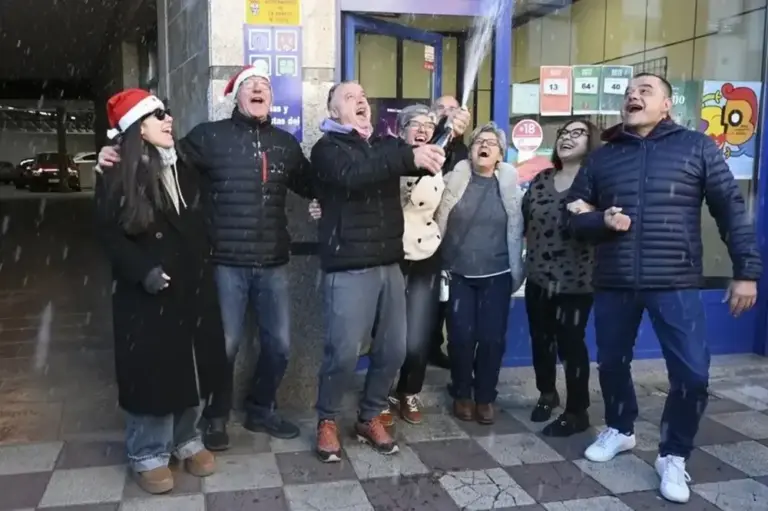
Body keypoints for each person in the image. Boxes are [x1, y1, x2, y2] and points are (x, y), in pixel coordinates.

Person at [567, 72, 761, 504]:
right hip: (614, 280)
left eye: (645, 91)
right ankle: (620, 428)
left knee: (692, 374)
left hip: (675, 280)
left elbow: (730, 208)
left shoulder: (696, 147)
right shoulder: (603, 157)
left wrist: (746, 271)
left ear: (667, 105)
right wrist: (601, 220)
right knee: (613, 363)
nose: (633, 96)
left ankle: (674, 453)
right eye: (629, 92)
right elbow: (574, 215)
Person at [97, 66, 314, 450]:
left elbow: (311, 183)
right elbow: (159, 162)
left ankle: (261, 408)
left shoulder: (286, 144)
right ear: (237, 97)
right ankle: (214, 418)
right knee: (221, 347)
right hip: (225, 262)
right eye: (251, 86)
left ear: (273, 100)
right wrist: (115, 153)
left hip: (274, 262)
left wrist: (325, 194)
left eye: (265, 86)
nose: (259, 90)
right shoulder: (209, 137)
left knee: (279, 345)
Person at [94, 89, 227, 494]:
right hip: (148, 295)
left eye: (167, 113)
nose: (169, 120)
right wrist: (143, 272)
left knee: (190, 366)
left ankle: (187, 440)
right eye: (157, 116)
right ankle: (147, 452)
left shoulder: (183, 164)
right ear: (138, 128)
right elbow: (109, 236)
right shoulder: (117, 172)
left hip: (191, 288)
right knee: (153, 373)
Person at [306, 103, 470, 426]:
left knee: (401, 345)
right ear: (334, 110)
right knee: (348, 349)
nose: (362, 100)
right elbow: (353, 175)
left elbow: (429, 162)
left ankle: (382, 406)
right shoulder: (336, 148)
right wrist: (321, 202)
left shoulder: (388, 148)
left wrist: (449, 131)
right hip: (359, 259)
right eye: (351, 96)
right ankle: (330, 418)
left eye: (363, 95)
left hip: (404, 257)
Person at [435, 122, 525, 425]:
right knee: (460, 338)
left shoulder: (511, 186)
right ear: (470, 151)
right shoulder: (453, 180)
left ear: (500, 154)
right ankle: (462, 392)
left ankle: (485, 396)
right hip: (458, 273)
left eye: (491, 143)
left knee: (491, 339)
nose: (483, 146)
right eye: (477, 142)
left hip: (497, 273)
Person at [522, 119, 601, 437]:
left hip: (576, 282)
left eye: (577, 133)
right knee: (541, 341)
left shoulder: (596, 183)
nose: (567, 138)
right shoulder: (541, 180)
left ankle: (577, 410)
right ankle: (547, 393)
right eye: (564, 134)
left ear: (590, 142)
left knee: (571, 345)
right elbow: (524, 221)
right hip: (539, 278)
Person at [429, 95, 470, 369]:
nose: (447, 113)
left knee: (444, 295)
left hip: (451, 234)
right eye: (441, 108)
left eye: (453, 109)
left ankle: (434, 345)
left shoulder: (465, 152)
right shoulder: (426, 143)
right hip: (419, 233)